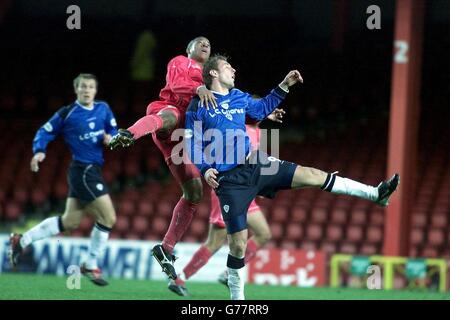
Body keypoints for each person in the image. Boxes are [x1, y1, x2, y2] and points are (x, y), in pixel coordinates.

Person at [185, 54, 400, 300]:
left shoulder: (239, 97)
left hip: (257, 164)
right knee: (238, 244)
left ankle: (375, 193)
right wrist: (204, 168)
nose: (233, 69)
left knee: (313, 175)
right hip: (229, 181)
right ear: (213, 73)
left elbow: (262, 107)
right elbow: (192, 143)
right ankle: (238, 301)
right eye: (226, 66)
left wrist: (284, 85)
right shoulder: (198, 106)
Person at [108, 37, 217, 280]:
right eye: (199, 42)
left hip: (187, 137)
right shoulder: (181, 62)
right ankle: (129, 133)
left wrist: (262, 114)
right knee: (170, 115)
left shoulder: (213, 76)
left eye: (208, 43)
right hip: (169, 113)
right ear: (188, 49)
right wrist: (197, 89)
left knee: (194, 192)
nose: (204, 44)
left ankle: (165, 248)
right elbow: (177, 85)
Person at [9, 73, 118, 286]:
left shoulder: (103, 108)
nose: (87, 90)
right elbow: (44, 131)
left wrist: (110, 137)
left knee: (70, 221)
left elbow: (113, 130)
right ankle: (90, 263)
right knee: (109, 218)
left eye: (90, 87)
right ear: (76, 89)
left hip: (91, 169)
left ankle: (21, 240)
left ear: (95, 91)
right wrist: (39, 151)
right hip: (83, 170)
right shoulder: (67, 113)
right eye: (83, 87)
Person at [168, 118, 285, 297]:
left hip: (244, 191)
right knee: (215, 242)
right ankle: (179, 279)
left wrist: (258, 184)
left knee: (263, 233)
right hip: (229, 190)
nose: (261, 113)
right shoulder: (239, 129)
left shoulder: (258, 131)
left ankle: (227, 273)